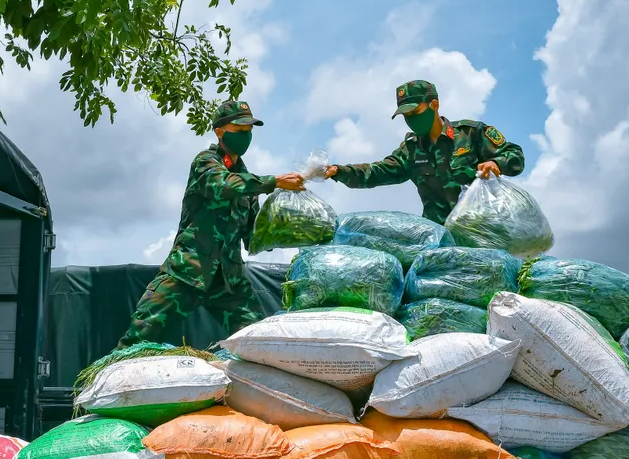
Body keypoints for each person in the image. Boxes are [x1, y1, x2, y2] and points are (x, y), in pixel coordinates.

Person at [118, 100, 305, 348]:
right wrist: (275, 181)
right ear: (219, 132)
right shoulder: (206, 163)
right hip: (187, 271)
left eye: (249, 131)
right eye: (239, 130)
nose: (246, 136)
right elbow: (222, 185)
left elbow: (252, 238)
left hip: (229, 282)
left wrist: (288, 228)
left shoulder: (250, 186)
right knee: (138, 337)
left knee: (259, 342)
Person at [326, 80, 525, 224]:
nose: (411, 119)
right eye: (406, 116)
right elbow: (375, 173)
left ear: (434, 105)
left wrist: (497, 163)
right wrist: (337, 171)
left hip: (484, 232)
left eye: (414, 113)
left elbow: (515, 155)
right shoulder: (411, 151)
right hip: (441, 239)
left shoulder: (471, 133)